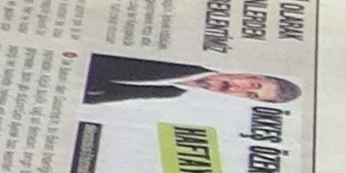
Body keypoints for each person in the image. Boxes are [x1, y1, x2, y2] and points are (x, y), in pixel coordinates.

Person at [82, 56, 304, 105]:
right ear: (251, 74)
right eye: (253, 85)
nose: (238, 88)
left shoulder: (172, 94)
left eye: (251, 95)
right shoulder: (185, 60)